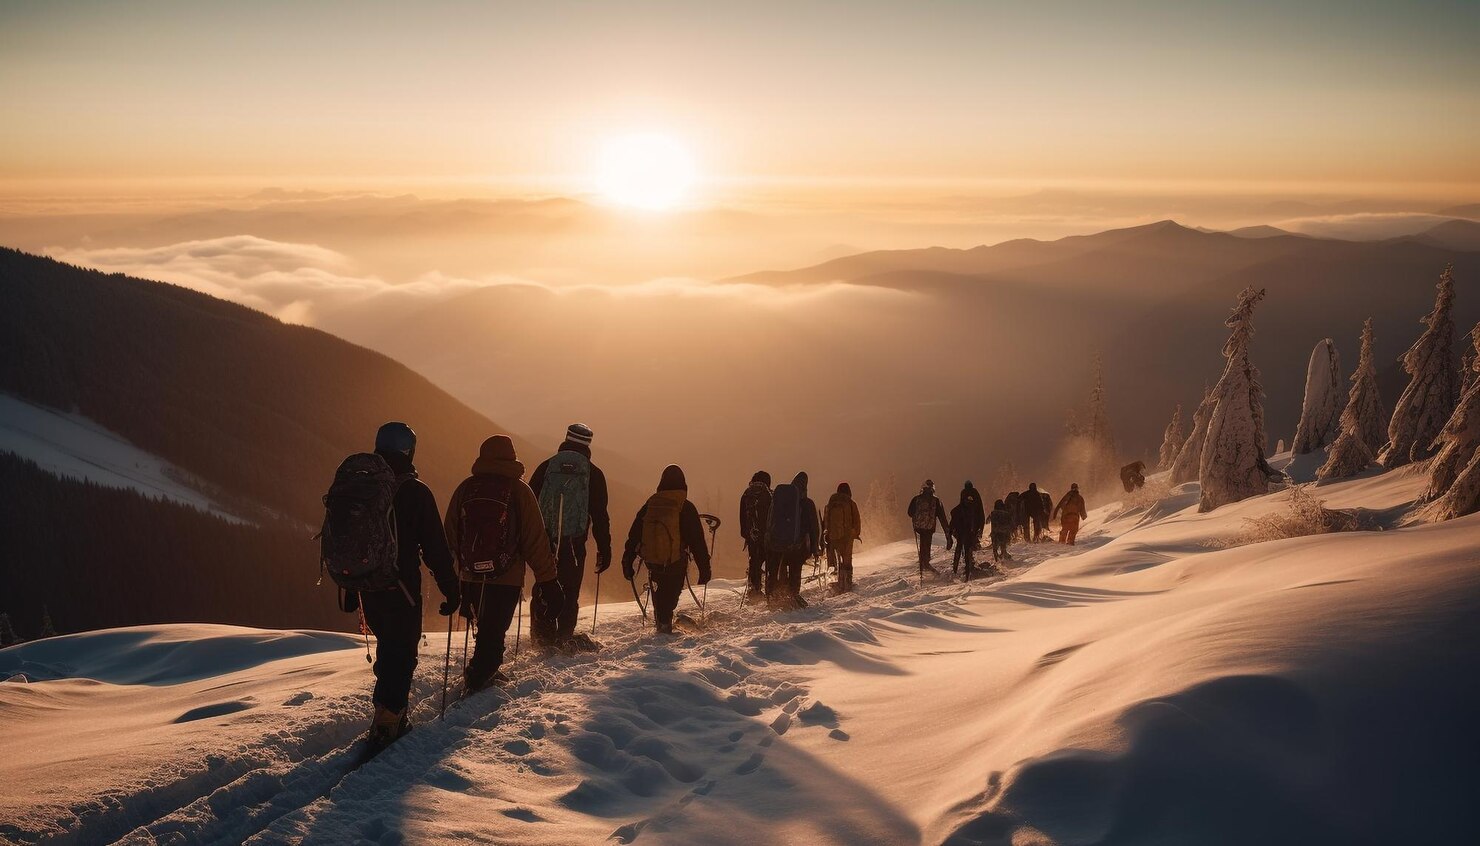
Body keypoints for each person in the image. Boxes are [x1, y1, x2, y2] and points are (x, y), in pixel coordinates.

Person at [351, 422, 460, 747]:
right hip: (402, 589)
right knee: (403, 653)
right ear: (409, 451)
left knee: (389, 646)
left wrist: (347, 585)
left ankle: (385, 711)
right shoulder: (415, 491)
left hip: (367, 588)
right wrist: (451, 588)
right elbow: (435, 549)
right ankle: (388, 724)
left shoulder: (361, 486)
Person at [445, 435, 561, 691]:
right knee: (494, 629)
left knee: (484, 627)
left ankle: (481, 669)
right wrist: (548, 581)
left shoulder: (466, 488)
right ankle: (480, 676)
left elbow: (450, 535)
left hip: (470, 575)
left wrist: (451, 578)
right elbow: (535, 540)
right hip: (506, 576)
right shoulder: (519, 490)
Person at [529, 423, 612, 651]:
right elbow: (600, 516)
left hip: (544, 543)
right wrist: (604, 550)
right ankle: (563, 639)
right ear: (588, 445)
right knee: (570, 588)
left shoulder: (546, 468)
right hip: (574, 544)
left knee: (544, 585)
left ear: (565, 438)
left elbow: (528, 505)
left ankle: (541, 639)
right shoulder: (593, 474)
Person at [622, 465, 713, 634]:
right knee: (670, 595)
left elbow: (635, 534)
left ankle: (662, 622)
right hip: (676, 562)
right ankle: (664, 626)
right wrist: (704, 569)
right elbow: (697, 542)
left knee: (660, 593)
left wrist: (627, 559)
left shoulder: (651, 504)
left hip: (653, 561)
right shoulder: (685, 507)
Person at [765, 472, 821, 608]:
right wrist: (815, 548)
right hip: (798, 546)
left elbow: (770, 522)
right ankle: (792, 597)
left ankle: (778, 597)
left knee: (782, 568)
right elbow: (814, 528)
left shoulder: (780, 501)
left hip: (778, 544)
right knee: (795, 570)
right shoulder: (807, 503)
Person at [738, 471, 773, 602]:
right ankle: (771, 590)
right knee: (769, 561)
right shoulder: (770, 494)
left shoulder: (746, 494)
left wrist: (746, 534)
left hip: (752, 535)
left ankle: (755, 589)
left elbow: (742, 516)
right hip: (767, 535)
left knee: (754, 561)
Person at [823, 482, 861, 592]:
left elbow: (826, 519)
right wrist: (856, 534)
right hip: (847, 537)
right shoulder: (850, 503)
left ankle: (838, 582)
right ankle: (847, 583)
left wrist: (827, 534)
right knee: (847, 561)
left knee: (836, 559)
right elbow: (856, 520)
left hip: (833, 536)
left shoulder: (831, 502)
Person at [907, 479, 950, 574]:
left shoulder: (916, 499)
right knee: (927, 541)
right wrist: (948, 535)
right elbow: (942, 518)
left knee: (923, 541)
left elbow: (909, 513)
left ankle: (923, 561)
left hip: (919, 527)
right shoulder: (936, 500)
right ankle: (926, 561)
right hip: (930, 527)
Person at [949, 485, 985, 579]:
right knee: (968, 552)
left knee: (959, 549)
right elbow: (980, 516)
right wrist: (979, 530)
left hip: (960, 533)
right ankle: (968, 572)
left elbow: (952, 523)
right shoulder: (973, 508)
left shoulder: (957, 509)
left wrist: (950, 534)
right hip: (969, 533)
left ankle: (955, 571)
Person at [962, 480, 986, 548]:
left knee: (971, 530)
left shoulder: (964, 492)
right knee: (973, 530)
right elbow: (980, 506)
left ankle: (973, 543)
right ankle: (974, 543)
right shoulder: (974, 492)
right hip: (975, 516)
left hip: (970, 516)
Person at [989, 498, 1014, 563]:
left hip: (995, 533)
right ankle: (1003, 555)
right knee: (1003, 546)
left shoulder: (993, 513)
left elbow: (990, 522)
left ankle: (997, 560)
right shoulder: (1006, 513)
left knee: (995, 548)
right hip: (1003, 532)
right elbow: (1010, 523)